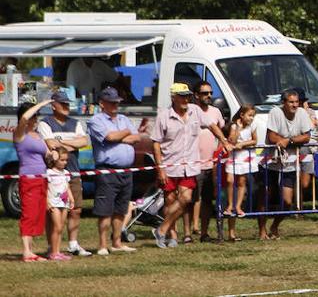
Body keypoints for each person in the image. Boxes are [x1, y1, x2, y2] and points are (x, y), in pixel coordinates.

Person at [151, 81, 224, 248]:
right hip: (169, 166)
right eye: (182, 96)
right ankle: (172, 235)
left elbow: (212, 125)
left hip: (189, 167)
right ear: (173, 98)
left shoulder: (195, 111)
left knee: (186, 198)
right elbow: (155, 143)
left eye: (187, 96)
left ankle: (161, 229)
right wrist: (160, 168)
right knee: (170, 202)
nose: (186, 99)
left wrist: (223, 140)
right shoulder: (164, 116)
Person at [36, 90, 91, 257]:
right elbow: (51, 145)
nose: (67, 107)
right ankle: (52, 246)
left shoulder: (76, 123)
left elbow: (83, 141)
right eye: (63, 104)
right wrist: (70, 145)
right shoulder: (45, 124)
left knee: (75, 209)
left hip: (73, 171)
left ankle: (73, 244)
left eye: (68, 104)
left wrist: (61, 142)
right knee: (53, 211)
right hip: (53, 175)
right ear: (54, 106)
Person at [88, 86, 142, 255]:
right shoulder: (96, 120)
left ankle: (117, 242)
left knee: (121, 208)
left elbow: (137, 137)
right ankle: (102, 245)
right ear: (102, 103)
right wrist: (126, 133)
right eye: (111, 102)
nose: (115, 105)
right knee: (105, 209)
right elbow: (109, 137)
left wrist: (120, 136)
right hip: (107, 171)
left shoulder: (123, 119)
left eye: (117, 102)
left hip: (126, 170)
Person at [259, 89, 313, 241]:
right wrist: (290, 139)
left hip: (289, 163)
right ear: (284, 102)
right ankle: (261, 230)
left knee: (288, 201)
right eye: (291, 102)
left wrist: (288, 141)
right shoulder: (276, 112)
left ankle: (274, 225)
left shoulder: (302, 113)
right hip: (270, 161)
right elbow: (271, 136)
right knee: (266, 195)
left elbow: (307, 136)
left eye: (296, 102)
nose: (294, 105)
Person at [15, 98, 53, 262]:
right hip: (28, 179)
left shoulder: (37, 135)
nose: (36, 118)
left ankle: (31, 250)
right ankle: (26, 251)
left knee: (38, 214)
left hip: (42, 178)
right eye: (34, 115)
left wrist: (52, 156)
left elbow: (46, 156)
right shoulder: (19, 134)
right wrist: (41, 104)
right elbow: (24, 119)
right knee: (29, 213)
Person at [190, 80, 228, 243]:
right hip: (192, 163)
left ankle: (204, 232)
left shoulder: (215, 112)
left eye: (210, 93)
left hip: (211, 164)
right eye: (205, 93)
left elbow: (221, 131)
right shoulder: (191, 111)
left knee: (207, 200)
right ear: (196, 95)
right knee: (189, 199)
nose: (209, 96)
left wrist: (220, 150)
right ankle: (187, 231)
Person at [223, 105, 258, 241]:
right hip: (233, 157)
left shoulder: (252, 126)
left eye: (253, 115)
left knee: (242, 181)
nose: (251, 118)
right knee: (230, 180)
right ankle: (230, 204)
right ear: (242, 115)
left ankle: (238, 206)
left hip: (245, 156)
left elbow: (255, 140)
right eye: (249, 115)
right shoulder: (233, 126)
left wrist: (243, 144)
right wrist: (238, 128)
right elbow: (232, 140)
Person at [45, 147, 74, 261]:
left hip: (64, 202)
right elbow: (46, 189)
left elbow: (67, 187)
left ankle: (57, 251)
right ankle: (53, 252)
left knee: (61, 227)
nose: (64, 163)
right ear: (55, 160)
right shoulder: (49, 173)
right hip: (54, 203)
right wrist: (47, 201)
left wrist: (71, 198)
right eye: (62, 160)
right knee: (56, 226)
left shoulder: (66, 173)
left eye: (66, 160)